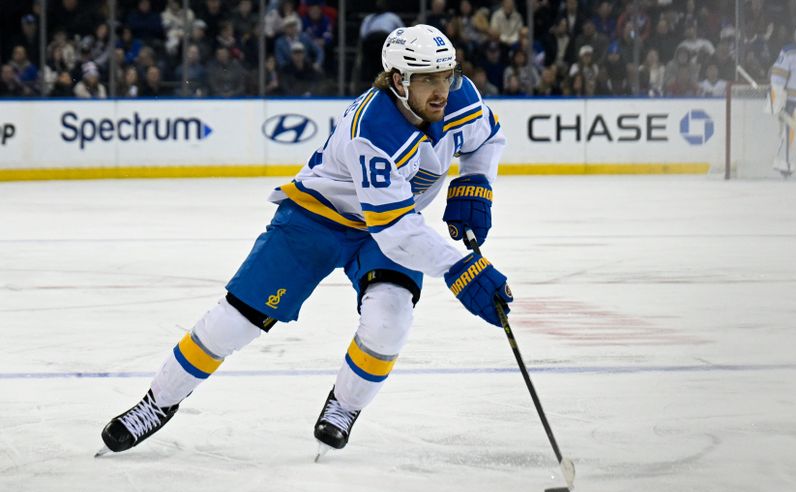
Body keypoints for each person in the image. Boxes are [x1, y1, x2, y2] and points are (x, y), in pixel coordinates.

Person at [97, 24, 513, 458]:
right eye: (427, 79)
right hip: (317, 219)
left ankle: (344, 406)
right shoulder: (373, 130)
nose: (442, 89)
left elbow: (488, 138)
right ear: (397, 81)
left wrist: (475, 182)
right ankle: (156, 403)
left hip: (390, 224)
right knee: (233, 323)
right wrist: (458, 267)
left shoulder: (461, 98)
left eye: (446, 75)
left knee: (390, 321)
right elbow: (394, 232)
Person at [769, 26, 796, 177]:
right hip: (793, 103)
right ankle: (783, 165)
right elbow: (777, 77)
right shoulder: (789, 53)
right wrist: (777, 101)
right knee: (790, 135)